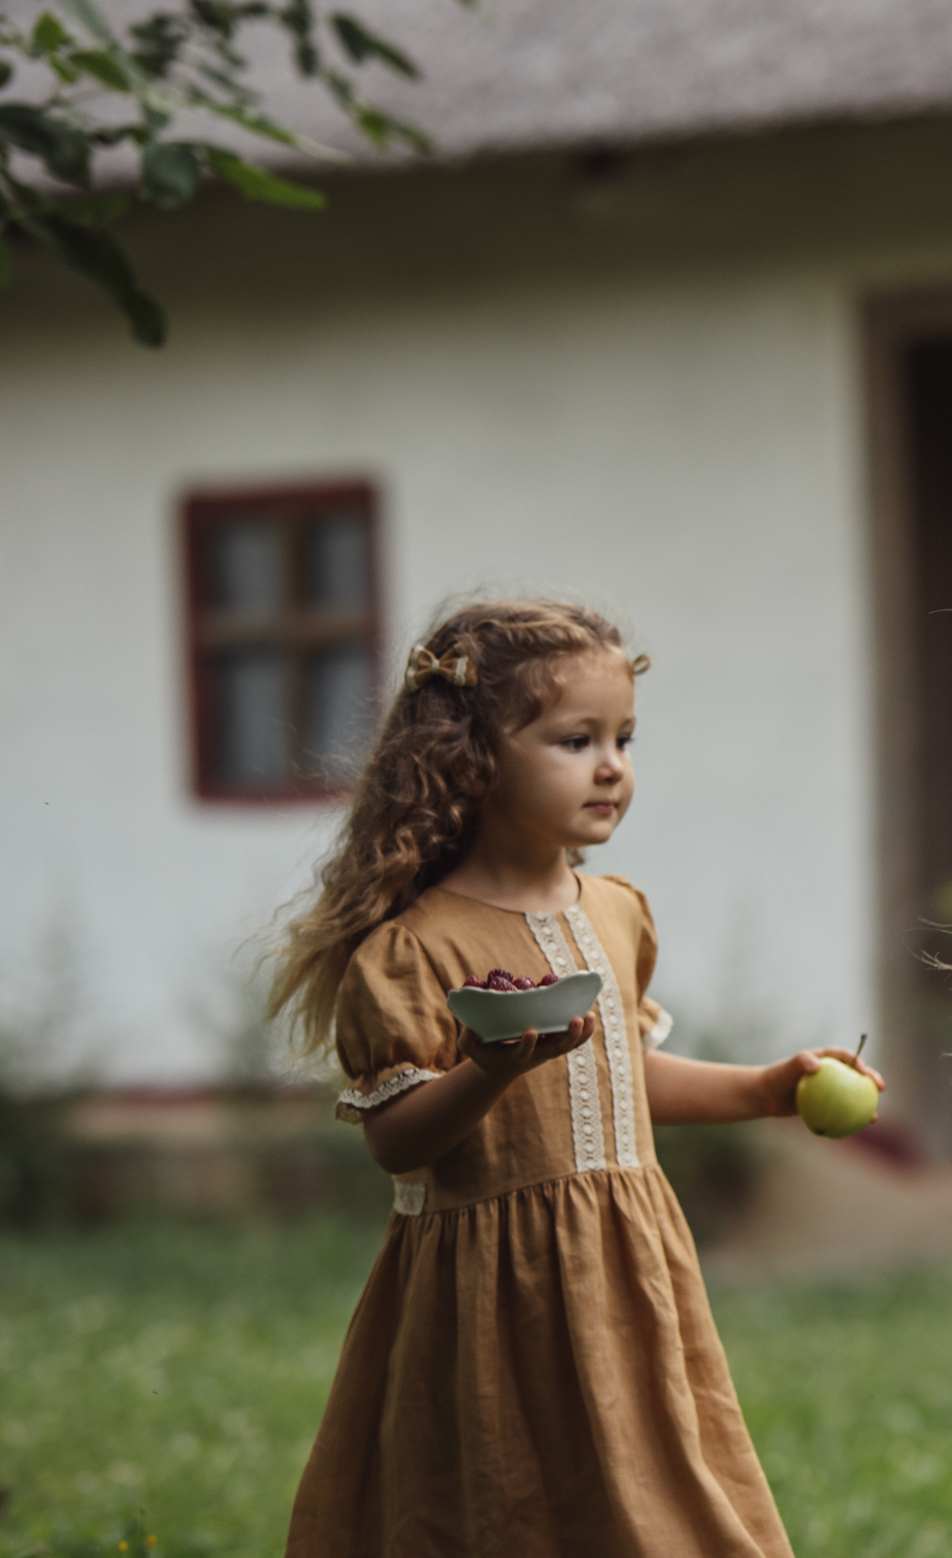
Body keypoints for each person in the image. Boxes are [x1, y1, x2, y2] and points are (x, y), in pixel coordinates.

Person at [270, 598, 883, 1558]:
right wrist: (489, 1071)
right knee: (506, 1508)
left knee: (657, 1493)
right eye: (575, 739)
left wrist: (767, 1089)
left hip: (623, 1267)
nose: (611, 766)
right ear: (473, 759)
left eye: (623, 738)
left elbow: (620, 1076)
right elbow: (396, 1138)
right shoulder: (415, 948)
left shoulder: (616, 911)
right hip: (492, 1288)